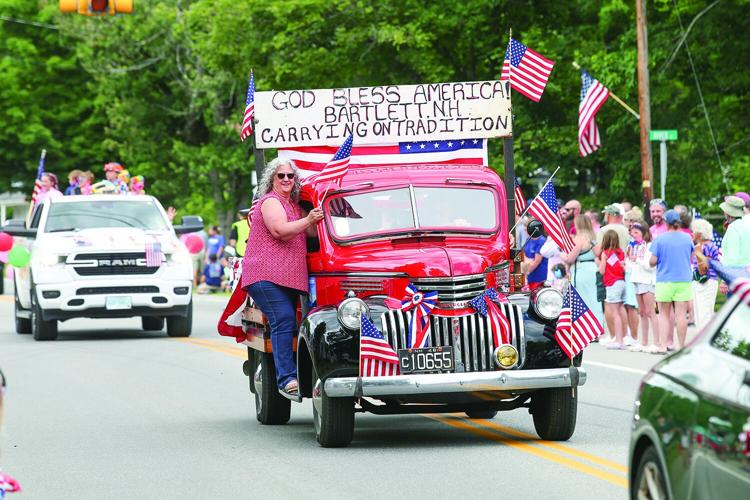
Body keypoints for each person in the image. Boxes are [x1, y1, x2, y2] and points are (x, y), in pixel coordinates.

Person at [242, 157, 324, 398]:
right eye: (281, 176)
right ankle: (286, 379)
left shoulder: (294, 206)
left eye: (291, 176)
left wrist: (327, 217)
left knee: (295, 322)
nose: (287, 179)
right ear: (272, 179)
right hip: (264, 275)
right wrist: (309, 219)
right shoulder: (270, 202)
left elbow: (309, 230)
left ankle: (303, 374)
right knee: (284, 319)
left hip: (287, 278)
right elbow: (280, 230)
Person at [650, 209, 694, 352]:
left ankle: (663, 346)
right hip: (683, 280)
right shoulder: (687, 238)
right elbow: (691, 258)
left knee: (663, 314)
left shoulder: (660, 239)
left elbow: (653, 261)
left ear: (665, 222)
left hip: (665, 280)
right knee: (681, 315)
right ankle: (681, 346)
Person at [595, 203, 636, 344]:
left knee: (609, 305)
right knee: (622, 305)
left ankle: (613, 335)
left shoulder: (604, 230)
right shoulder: (626, 230)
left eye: (606, 214)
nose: (605, 216)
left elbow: (599, 251)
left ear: (611, 215)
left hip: (608, 272)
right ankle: (624, 334)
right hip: (622, 269)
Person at [561, 215, 604, 327]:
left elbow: (570, 258)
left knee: (582, 300)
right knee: (595, 300)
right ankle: (598, 327)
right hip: (593, 269)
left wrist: (561, 254)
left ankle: (587, 328)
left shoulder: (579, 239)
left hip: (581, 272)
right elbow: (598, 254)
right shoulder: (593, 238)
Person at [626, 221, 659, 353]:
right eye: (632, 232)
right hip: (636, 280)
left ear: (644, 233)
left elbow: (650, 265)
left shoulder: (650, 245)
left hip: (647, 280)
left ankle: (656, 342)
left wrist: (636, 260)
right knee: (642, 312)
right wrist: (629, 259)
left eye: (636, 232)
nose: (633, 235)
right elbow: (630, 264)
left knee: (651, 312)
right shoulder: (634, 246)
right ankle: (644, 342)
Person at [599, 231, 627, 349]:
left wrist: (600, 262)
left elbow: (602, 271)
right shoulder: (621, 253)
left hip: (612, 284)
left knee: (614, 313)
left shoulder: (605, 253)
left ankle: (618, 340)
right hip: (621, 282)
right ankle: (621, 338)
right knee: (620, 310)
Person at [690, 218, 720, 329]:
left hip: (706, 282)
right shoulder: (701, 246)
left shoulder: (707, 247)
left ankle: (702, 343)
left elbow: (704, 269)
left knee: (704, 316)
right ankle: (699, 342)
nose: (692, 233)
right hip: (700, 282)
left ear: (700, 233)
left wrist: (698, 254)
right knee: (700, 316)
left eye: (694, 231)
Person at [522, 219, 547, 291]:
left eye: (526, 228)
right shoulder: (528, 240)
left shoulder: (541, 241)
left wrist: (526, 273)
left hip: (539, 278)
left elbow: (537, 261)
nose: (525, 230)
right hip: (530, 277)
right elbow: (524, 256)